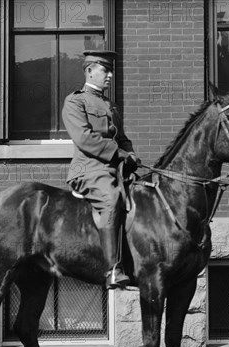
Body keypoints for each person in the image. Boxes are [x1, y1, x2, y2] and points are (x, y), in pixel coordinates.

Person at [62, 50, 140, 289]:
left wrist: (132, 154)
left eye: (110, 71)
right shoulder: (75, 101)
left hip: (115, 169)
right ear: (89, 71)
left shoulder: (110, 105)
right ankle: (113, 269)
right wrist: (119, 154)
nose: (109, 75)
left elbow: (122, 138)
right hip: (89, 169)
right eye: (105, 70)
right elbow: (84, 139)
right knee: (111, 197)